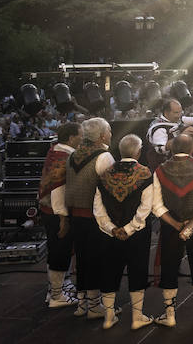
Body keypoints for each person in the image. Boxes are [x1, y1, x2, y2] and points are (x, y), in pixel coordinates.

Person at [153, 134, 193, 326]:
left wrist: (176, 225)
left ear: (172, 149)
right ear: (192, 150)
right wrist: (191, 225)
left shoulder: (160, 171)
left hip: (170, 226)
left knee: (169, 267)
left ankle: (170, 315)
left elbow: (156, 206)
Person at [93, 134, 155, 330]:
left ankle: (109, 316)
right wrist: (130, 228)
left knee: (109, 270)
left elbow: (98, 207)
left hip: (109, 234)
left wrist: (112, 228)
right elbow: (146, 207)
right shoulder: (145, 174)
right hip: (137, 234)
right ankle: (137, 317)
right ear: (138, 151)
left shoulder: (104, 175)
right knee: (138, 270)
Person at [65, 117, 116, 319]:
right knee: (97, 260)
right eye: (110, 131)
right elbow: (111, 191)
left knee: (82, 259)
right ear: (102, 135)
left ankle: (82, 303)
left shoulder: (72, 155)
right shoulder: (104, 157)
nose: (111, 135)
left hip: (76, 216)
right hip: (96, 217)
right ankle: (95, 306)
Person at [37, 122, 80, 309]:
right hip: (56, 212)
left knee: (57, 250)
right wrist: (63, 217)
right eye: (80, 135)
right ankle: (57, 295)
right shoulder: (65, 157)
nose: (82, 138)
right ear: (71, 138)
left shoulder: (55, 151)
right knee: (59, 251)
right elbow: (58, 190)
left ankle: (56, 288)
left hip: (48, 211)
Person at [144, 99, 182, 171]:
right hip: (163, 169)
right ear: (166, 113)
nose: (179, 115)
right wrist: (182, 137)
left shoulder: (177, 121)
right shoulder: (159, 129)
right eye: (176, 113)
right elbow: (160, 150)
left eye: (180, 112)